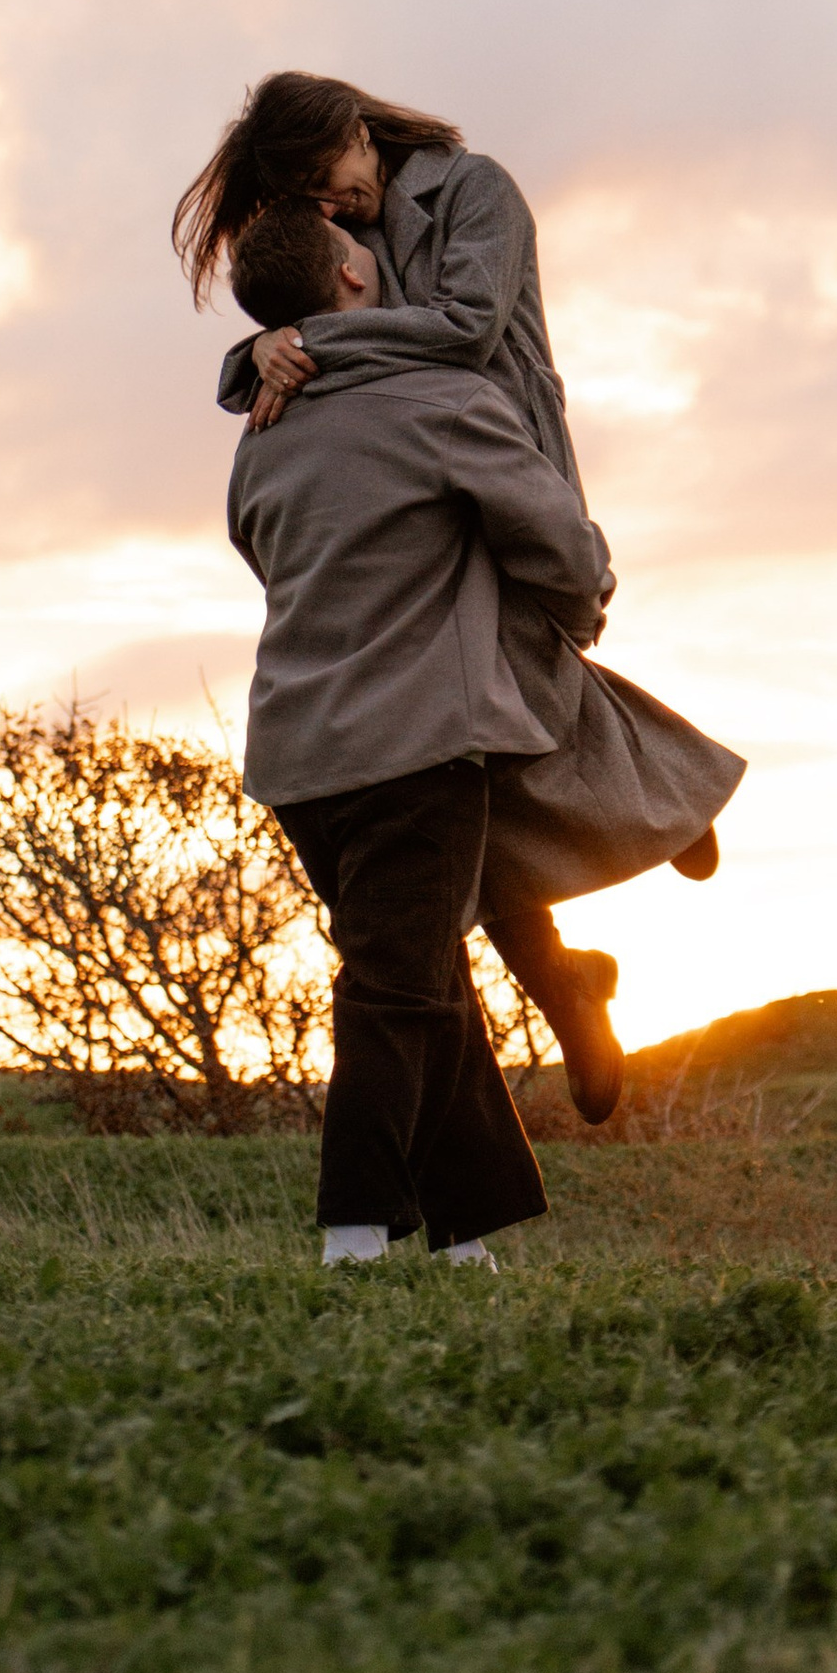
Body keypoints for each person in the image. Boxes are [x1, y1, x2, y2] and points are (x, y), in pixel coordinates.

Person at [179, 72, 744, 1120]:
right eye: (305, 195)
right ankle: (570, 971)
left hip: (491, 446)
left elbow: (467, 326)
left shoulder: (476, 192)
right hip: (406, 474)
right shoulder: (336, 231)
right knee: (458, 746)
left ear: (357, 129)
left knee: (520, 680)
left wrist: (315, 347)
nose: (331, 205)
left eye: (327, 177)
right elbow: (313, 310)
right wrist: (258, 346)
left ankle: (658, 804)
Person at [224, 210, 608, 1265]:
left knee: (422, 969)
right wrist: (580, 609)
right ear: (354, 272)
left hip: (296, 756)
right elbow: (558, 542)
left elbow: (265, 554)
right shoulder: (440, 400)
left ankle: (466, 1240)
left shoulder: (258, 432)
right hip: (415, 746)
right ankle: (352, 1241)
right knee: (394, 988)